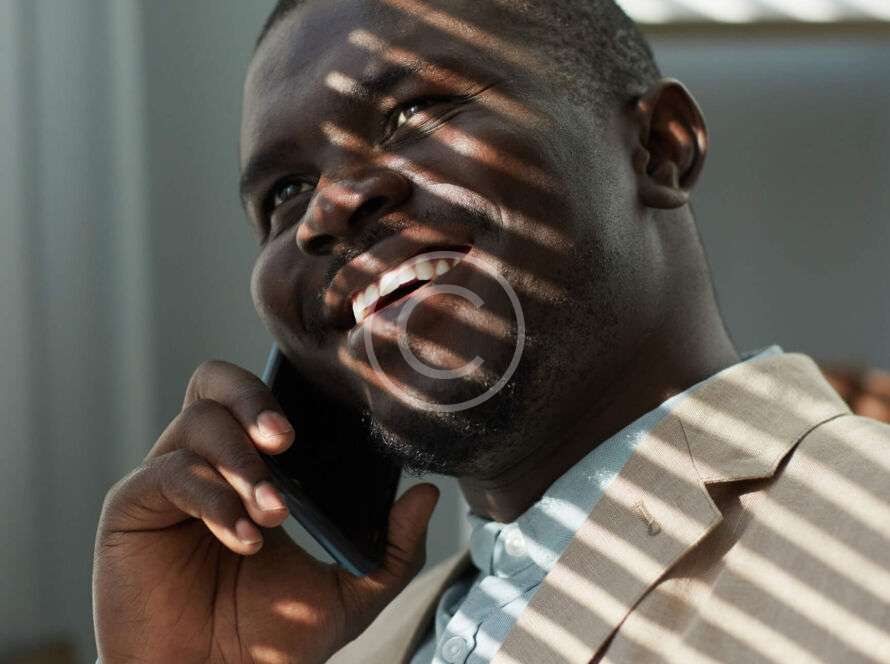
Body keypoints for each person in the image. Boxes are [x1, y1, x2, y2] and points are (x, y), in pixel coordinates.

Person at [92, 1, 890, 662]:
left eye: (413, 112)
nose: (325, 213)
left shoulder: (861, 532)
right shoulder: (349, 647)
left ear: (660, 150)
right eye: (286, 192)